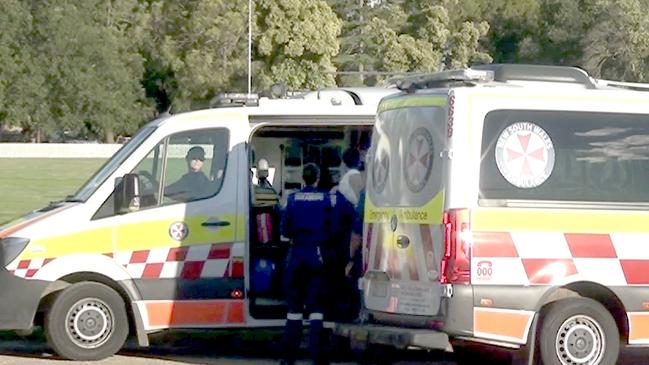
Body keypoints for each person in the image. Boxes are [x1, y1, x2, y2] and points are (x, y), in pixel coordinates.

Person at [280, 163, 330, 365]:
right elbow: (332, 229)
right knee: (316, 309)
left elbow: (284, 232)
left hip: (296, 256)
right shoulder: (326, 199)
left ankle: (288, 358)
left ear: (303, 178)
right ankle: (317, 358)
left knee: (294, 310)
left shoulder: (292, 200)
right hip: (316, 256)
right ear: (317, 178)